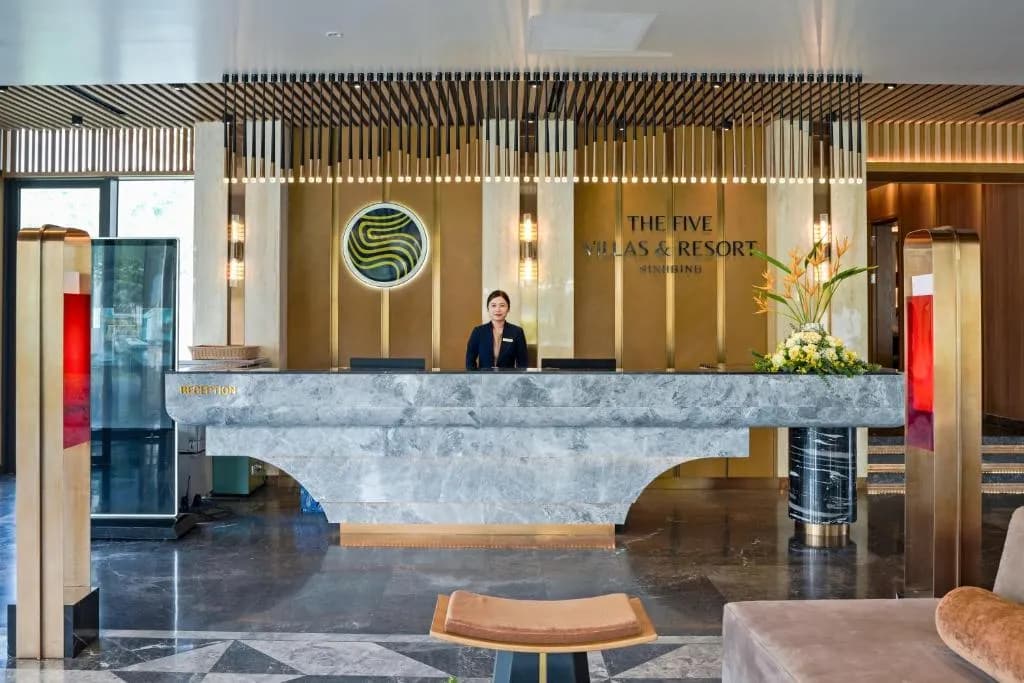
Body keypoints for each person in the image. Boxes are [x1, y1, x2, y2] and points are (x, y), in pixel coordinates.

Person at [465, 290, 528, 370]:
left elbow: (523, 363)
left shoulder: (517, 332)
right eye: (493, 305)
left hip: (508, 377)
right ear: (488, 308)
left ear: (508, 309)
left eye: (502, 305)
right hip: (484, 377)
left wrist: (516, 377)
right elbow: (470, 362)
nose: (498, 309)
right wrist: (476, 377)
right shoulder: (478, 332)